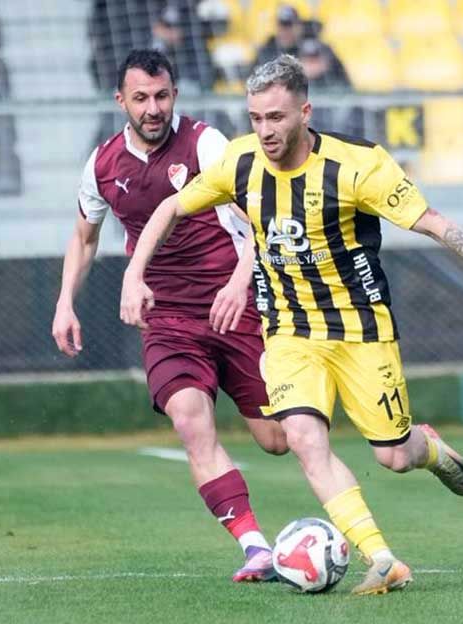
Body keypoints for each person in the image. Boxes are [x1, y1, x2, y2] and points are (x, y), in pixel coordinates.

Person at [120, 55, 463, 595]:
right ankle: (382, 558)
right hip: (287, 332)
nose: (265, 131)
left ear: (305, 111)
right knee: (304, 437)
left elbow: (437, 226)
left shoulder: (358, 166)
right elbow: (169, 209)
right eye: (256, 118)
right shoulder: (240, 162)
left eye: (276, 118)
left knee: (393, 455)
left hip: (360, 331)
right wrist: (134, 274)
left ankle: (432, 450)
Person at [51, 49, 287, 582]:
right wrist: (65, 302)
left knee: (276, 439)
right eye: (141, 99)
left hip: (235, 307)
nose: (152, 108)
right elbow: (84, 238)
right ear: (121, 101)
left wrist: (237, 282)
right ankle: (256, 547)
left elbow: (259, 219)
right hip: (168, 318)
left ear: (175, 95)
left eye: (161, 96)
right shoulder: (103, 164)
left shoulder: (206, 144)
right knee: (188, 419)